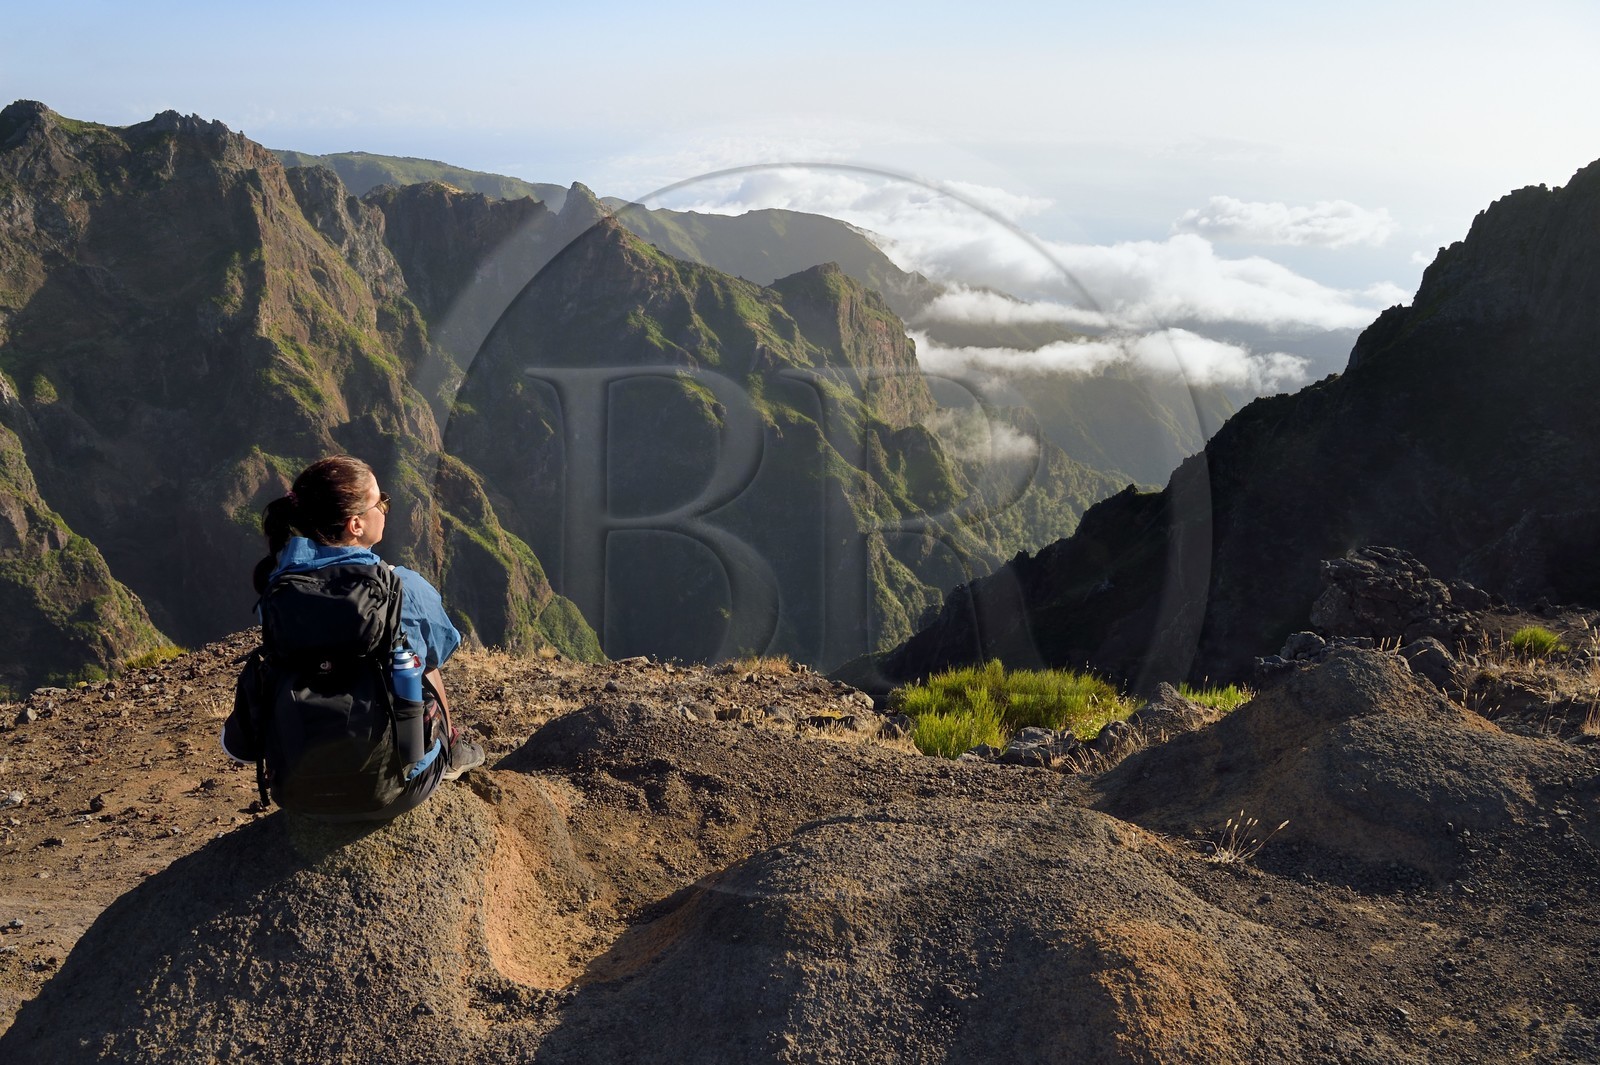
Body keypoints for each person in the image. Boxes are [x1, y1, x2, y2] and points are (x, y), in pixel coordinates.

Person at [224, 455, 484, 819]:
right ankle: (450, 747)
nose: (386, 508)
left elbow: (238, 749)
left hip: (299, 794)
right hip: (396, 790)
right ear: (356, 524)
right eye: (381, 502)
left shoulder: (277, 591)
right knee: (419, 661)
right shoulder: (404, 588)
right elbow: (440, 648)